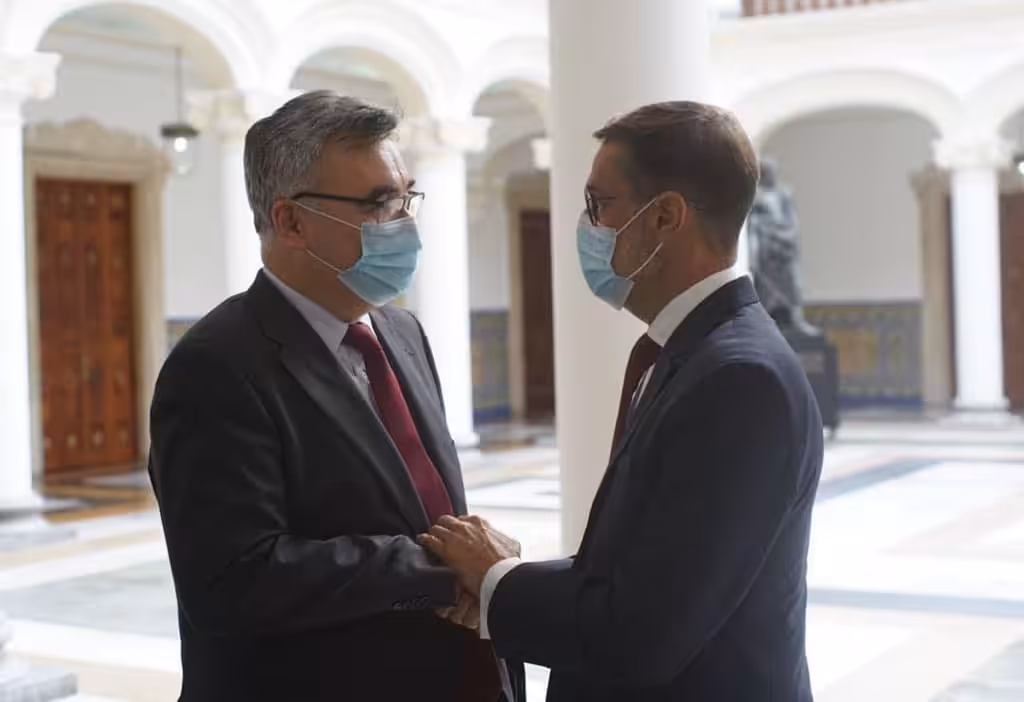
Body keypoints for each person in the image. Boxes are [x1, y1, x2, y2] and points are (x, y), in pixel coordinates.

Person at [421, 101, 825, 701]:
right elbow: (651, 570)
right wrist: (502, 578)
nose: (587, 227)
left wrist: (496, 581)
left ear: (664, 217)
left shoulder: (739, 379)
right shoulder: (689, 353)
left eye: (599, 205)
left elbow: (644, 635)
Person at [148, 91, 523, 701]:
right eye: (378, 203)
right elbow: (233, 580)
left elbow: (418, 503)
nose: (403, 222)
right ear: (292, 222)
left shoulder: (401, 331)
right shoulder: (215, 365)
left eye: (405, 198)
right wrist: (438, 571)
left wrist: (474, 557)